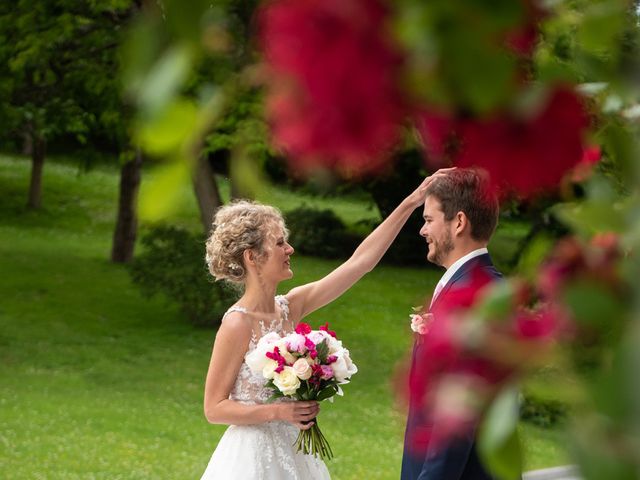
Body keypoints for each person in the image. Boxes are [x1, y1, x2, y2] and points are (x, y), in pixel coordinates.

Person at [199, 169, 452, 479]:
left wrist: (411, 203)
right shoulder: (236, 324)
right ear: (252, 257)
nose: (289, 249)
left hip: (295, 452)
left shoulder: (291, 307)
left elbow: (360, 263)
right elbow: (214, 408)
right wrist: (279, 411)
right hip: (251, 458)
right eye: (280, 244)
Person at [401, 168, 501, 480]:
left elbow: (458, 419)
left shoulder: (474, 297)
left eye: (429, 220)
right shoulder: (472, 286)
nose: (422, 231)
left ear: (458, 222)